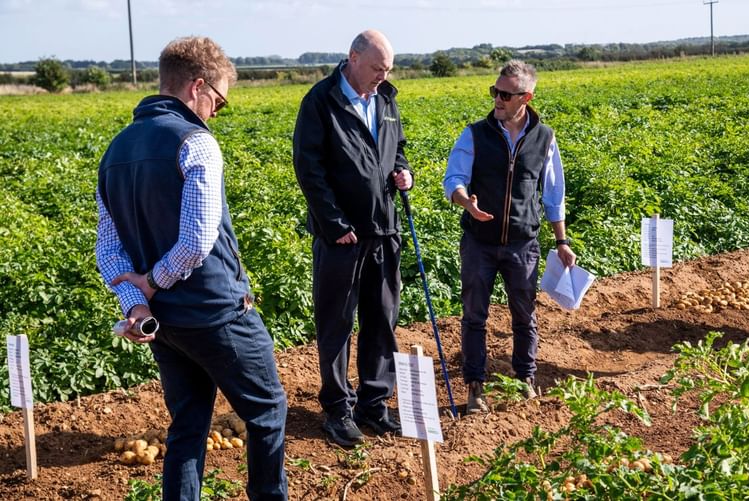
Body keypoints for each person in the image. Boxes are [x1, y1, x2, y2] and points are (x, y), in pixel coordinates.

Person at [95, 36, 287, 500]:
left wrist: (138, 305)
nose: (217, 111)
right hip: (215, 311)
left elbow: (108, 251)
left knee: (188, 424)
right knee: (268, 412)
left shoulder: (114, 151)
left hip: (166, 325)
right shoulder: (196, 142)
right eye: (218, 100)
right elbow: (197, 240)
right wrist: (155, 282)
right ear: (197, 86)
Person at [292, 29, 413, 447]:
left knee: (382, 319)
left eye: (388, 69)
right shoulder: (320, 101)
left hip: (384, 230)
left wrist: (403, 172)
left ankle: (373, 405)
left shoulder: (387, 98)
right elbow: (309, 169)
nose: (383, 75)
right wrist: (334, 224)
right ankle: (338, 409)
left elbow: (396, 149)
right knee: (337, 323)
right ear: (353, 58)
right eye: (378, 68)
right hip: (342, 237)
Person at [442, 60, 577, 414]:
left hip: (522, 243)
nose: (497, 99)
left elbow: (553, 192)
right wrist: (464, 202)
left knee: (524, 315)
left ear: (525, 97)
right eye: (494, 91)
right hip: (479, 243)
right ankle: (475, 388)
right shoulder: (474, 134)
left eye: (505, 94)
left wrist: (561, 241)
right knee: (474, 315)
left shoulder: (544, 137)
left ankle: (525, 379)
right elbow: (453, 178)